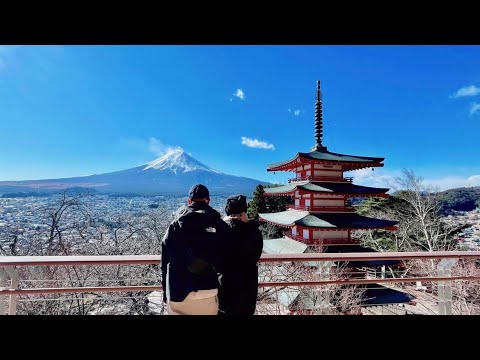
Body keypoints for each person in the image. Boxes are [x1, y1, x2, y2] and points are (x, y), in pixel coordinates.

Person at [161, 184, 231, 315]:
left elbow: (165, 261)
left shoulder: (175, 226)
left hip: (179, 289)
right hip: (208, 287)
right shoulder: (218, 224)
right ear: (208, 201)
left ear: (188, 201)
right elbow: (228, 254)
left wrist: (166, 292)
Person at [218, 194, 263, 315]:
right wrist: (250, 224)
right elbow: (256, 255)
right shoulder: (253, 232)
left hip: (224, 287)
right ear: (243, 213)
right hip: (247, 289)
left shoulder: (219, 231)